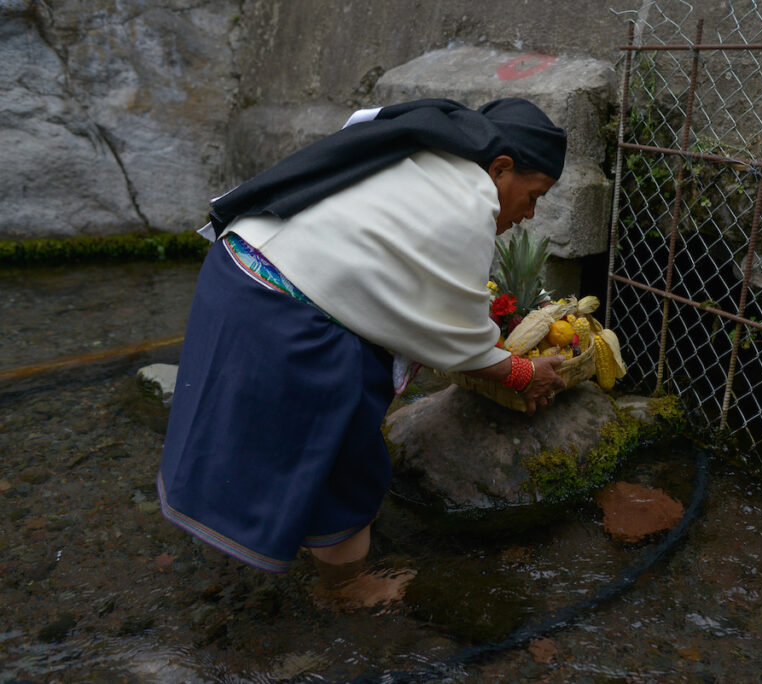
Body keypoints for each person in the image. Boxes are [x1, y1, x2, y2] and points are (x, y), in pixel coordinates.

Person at [156, 97, 568, 586]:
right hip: (279, 314)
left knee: (260, 437)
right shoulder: (468, 196)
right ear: (500, 169)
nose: (529, 213)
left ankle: (268, 547)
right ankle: (347, 591)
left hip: (237, 276)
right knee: (344, 455)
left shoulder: (417, 158)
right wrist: (522, 373)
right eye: (534, 194)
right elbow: (457, 336)